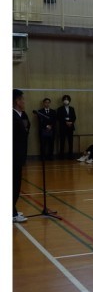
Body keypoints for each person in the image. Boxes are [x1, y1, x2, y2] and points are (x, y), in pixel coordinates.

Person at [13, 89, 30, 223]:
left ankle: (12, 210)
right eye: (22, 99)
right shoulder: (12, 117)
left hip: (17, 157)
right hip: (14, 157)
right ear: (17, 101)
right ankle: (12, 214)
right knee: (14, 185)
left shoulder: (19, 115)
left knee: (15, 184)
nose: (24, 102)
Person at [57, 94, 76, 159]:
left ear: (69, 101)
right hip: (63, 127)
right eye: (65, 99)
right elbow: (58, 117)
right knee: (62, 141)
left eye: (67, 99)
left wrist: (71, 122)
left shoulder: (72, 108)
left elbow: (74, 117)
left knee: (70, 141)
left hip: (70, 127)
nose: (66, 100)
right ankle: (61, 155)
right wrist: (66, 122)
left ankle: (70, 155)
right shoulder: (60, 109)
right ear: (63, 101)